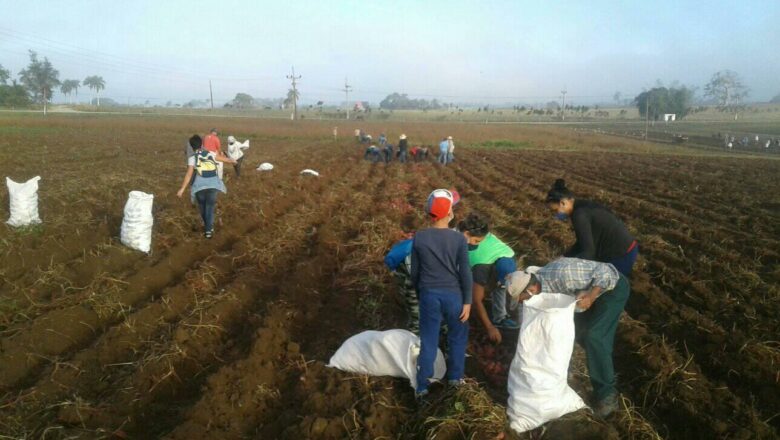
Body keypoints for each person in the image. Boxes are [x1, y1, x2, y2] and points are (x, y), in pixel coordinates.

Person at [506, 257, 630, 417]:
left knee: (595, 337)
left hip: (612, 290)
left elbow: (607, 272)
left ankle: (607, 395)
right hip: (588, 293)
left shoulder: (563, 276)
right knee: (575, 331)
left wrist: (591, 296)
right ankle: (592, 367)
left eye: (524, 299)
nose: (525, 303)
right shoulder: (540, 284)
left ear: (533, 289)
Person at [412, 189, 472, 401]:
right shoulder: (458, 240)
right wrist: (467, 301)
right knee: (457, 337)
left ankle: (422, 387)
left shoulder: (420, 237)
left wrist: (421, 295)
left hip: (429, 294)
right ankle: (455, 379)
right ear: (449, 213)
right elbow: (465, 272)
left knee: (429, 340)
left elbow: (415, 273)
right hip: (454, 296)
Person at [546, 179, 638, 278]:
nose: (555, 215)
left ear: (563, 203)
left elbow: (588, 252)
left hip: (621, 254)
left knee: (608, 288)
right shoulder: (582, 206)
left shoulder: (580, 215)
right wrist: (564, 257)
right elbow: (584, 241)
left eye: (555, 210)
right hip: (622, 248)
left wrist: (565, 267)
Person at [458, 213, 519, 344]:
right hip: (461, 265)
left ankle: (500, 317)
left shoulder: (509, 254)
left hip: (494, 268)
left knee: (500, 286)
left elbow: (505, 281)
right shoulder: (481, 266)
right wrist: (489, 327)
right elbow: (476, 300)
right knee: (466, 289)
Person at [177, 134, 237, 238]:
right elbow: (224, 159)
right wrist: (233, 161)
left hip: (200, 186)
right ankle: (209, 230)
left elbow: (189, 174)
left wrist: (182, 189)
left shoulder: (192, 158)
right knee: (210, 206)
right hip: (213, 184)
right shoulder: (210, 153)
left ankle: (208, 228)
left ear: (191, 147)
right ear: (201, 144)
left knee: (202, 207)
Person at [384, 237, 419, 334]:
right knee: (417, 320)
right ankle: (414, 345)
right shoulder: (416, 251)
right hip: (411, 285)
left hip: (411, 281)